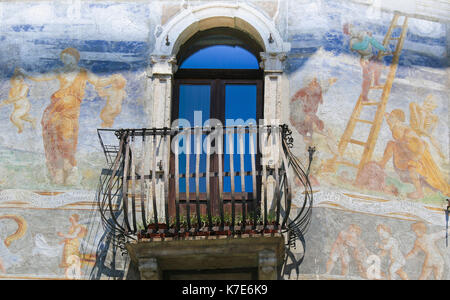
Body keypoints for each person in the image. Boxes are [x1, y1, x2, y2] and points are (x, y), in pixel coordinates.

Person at [17, 47, 116, 185]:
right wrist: (25, 73)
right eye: (63, 58)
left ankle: (69, 170)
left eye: (67, 57)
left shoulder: (83, 73)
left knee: (67, 141)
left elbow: (99, 82)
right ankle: (58, 174)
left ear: (75, 57)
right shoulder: (60, 71)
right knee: (54, 141)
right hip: (55, 112)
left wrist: (114, 79)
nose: (65, 60)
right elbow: (42, 78)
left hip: (70, 114)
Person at [378, 109, 449, 199]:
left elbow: (421, 144)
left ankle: (419, 192)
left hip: (417, 152)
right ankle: (381, 166)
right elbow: (391, 125)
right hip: (405, 151)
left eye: (392, 117)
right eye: (390, 117)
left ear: (398, 119)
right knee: (391, 144)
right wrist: (386, 115)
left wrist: (416, 157)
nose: (389, 119)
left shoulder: (405, 130)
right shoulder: (395, 126)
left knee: (412, 166)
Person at [343, 23, 389, 102]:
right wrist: (367, 38)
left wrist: (383, 48)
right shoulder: (352, 42)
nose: (353, 30)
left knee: (379, 66)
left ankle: (376, 82)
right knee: (367, 79)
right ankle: (364, 97)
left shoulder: (362, 35)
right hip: (364, 60)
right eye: (350, 29)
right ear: (348, 32)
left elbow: (374, 42)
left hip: (371, 56)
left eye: (353, 27)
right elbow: (363, 46)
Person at [409, 95, 445, 159]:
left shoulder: (433, 116)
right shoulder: (422, 112)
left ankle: (440, 152)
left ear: (434, 106)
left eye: (431, 102)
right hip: (419, 132)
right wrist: (429, 135)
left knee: (432, 138)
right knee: (431, 138)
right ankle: (440, 152)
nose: (428, 103)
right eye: (427, 101)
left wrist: (430, 134)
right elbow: (420, 128)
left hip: (424, 133)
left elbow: (432, 130)